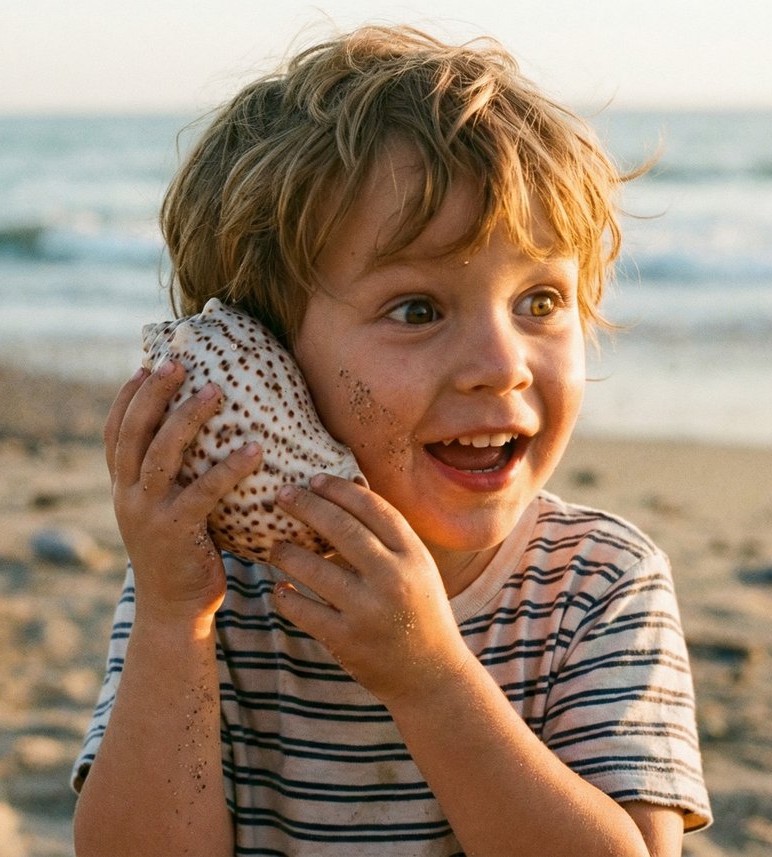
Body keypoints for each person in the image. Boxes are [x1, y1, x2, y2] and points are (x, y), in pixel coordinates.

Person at [71, 24, 711, 857]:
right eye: (418, 309)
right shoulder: (204, 595)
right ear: (266, 362)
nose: (500, 366)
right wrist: (168, 620)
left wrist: (432, 681)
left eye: (541, 302)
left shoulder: (596, 585)